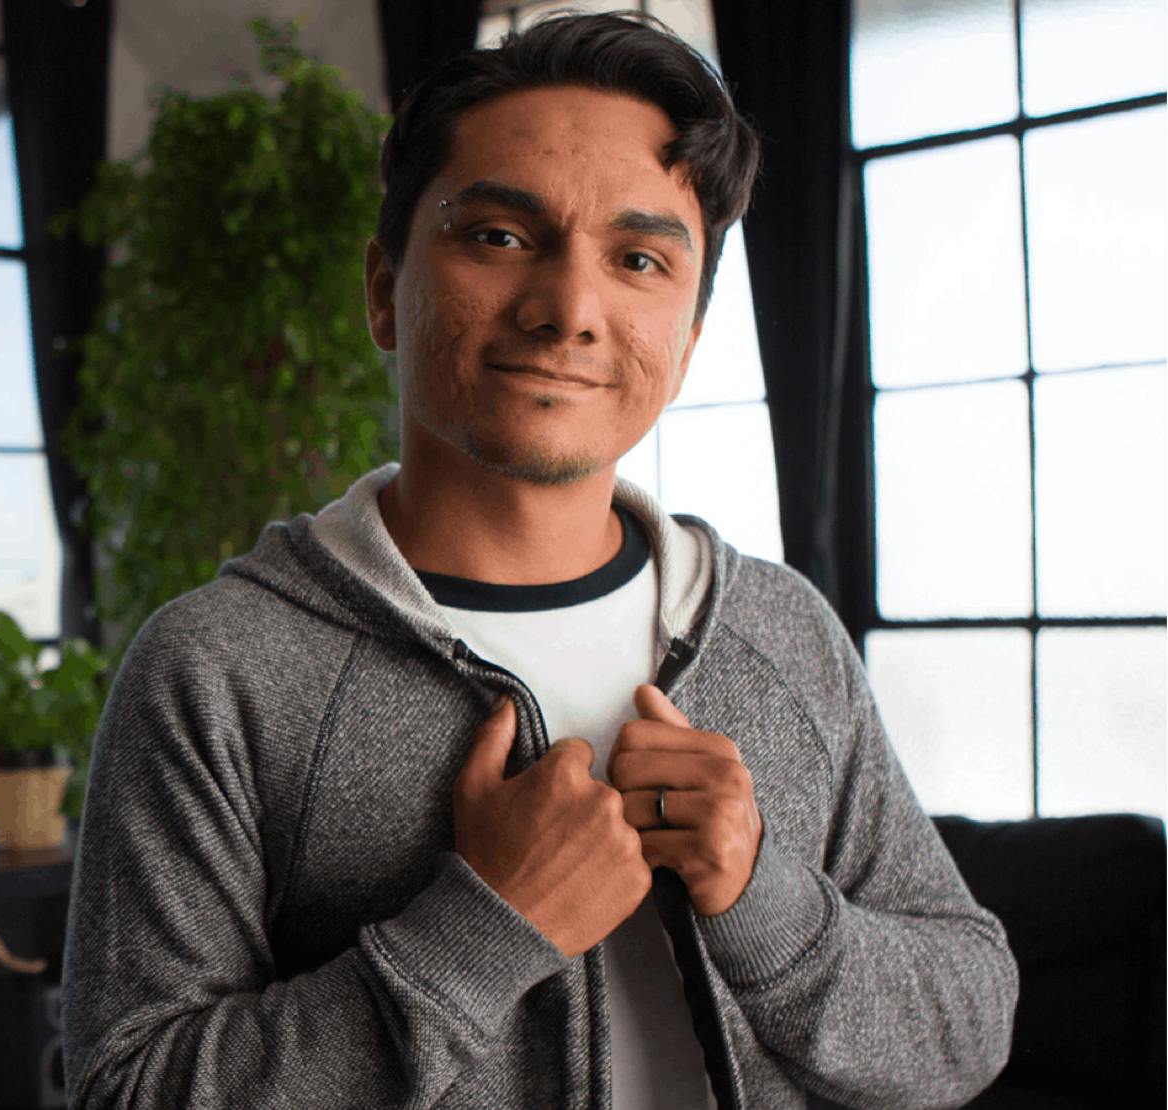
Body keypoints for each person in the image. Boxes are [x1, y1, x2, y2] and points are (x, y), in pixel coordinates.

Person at [61, 13, 1016, 1108]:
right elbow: (126, 1093)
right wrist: (480, 931)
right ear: (383, 287)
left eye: (640, 259)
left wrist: (763, 895)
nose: (570, 310)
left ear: (689, 340)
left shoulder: (783, 631)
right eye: (500, 237)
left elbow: (967, 1022)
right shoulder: (214, 670)